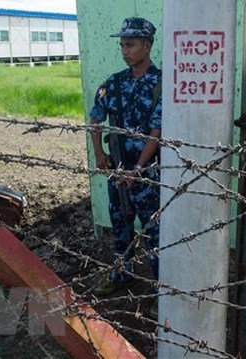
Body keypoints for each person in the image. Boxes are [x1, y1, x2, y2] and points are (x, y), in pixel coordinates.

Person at [89, 17, 162, 296]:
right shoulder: (114, 83)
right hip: (118, 170)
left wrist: (139, 169)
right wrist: (100, 154)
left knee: (154, 232)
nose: (124, 50)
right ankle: (122, 274)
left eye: (130, 44)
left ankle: (160, 289)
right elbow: (95, 120)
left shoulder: (159, 83)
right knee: (120, 225)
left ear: (146, 45)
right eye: (122, 45)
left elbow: (156, 132)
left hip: (147, 174)